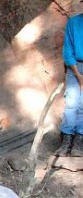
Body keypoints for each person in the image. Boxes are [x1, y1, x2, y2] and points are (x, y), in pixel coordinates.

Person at [56, 0, 83, 157]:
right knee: (72, 102)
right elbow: (68, 51)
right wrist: (79, 76)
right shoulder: (73, 23)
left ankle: (79, 142)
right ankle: (66, 141)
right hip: (75, 67)